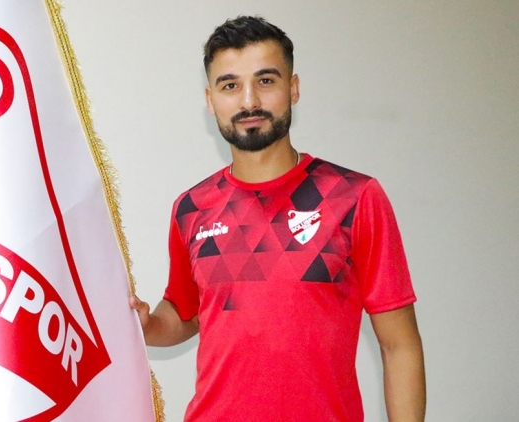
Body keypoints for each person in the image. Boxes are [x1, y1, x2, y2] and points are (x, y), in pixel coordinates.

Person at [130, 15, 425, 422]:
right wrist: (145, 328)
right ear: (210, 99)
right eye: (230, 85)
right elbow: (186, 313)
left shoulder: (354, 198)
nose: (249, 101)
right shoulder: (192, 208)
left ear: (294, 88)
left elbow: (399, 346)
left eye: (266, 80)